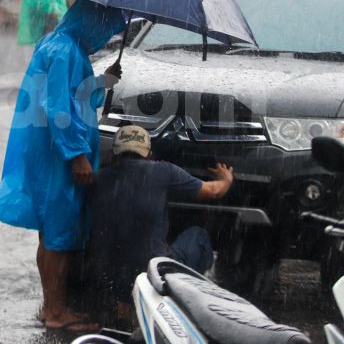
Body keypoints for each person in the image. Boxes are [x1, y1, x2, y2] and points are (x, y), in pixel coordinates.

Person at [0, 0, 126, 332]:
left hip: (47, 154)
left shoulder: (57, 43)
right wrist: (76, 155)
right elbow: (59, 109)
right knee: (59, 237)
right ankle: (55, 311)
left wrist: (102, 82)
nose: (103, 38)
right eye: (104, 30)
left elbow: (76, 97)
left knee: (49, 234)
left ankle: (50, 305)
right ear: (92, 23)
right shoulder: (66, 52)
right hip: (59, 158)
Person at [88, 125, 234, 322]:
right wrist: (226, 179)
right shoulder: (163, 172)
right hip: (153, 276)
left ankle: (123, 303)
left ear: (114, 153)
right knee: (198, 236)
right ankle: (187, 298)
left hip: (109, 278)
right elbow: (213, 191)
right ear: (148, 153)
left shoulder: (99, 177)